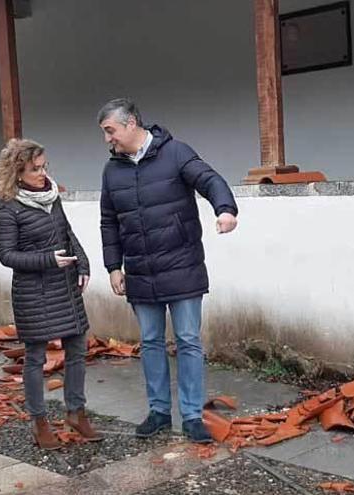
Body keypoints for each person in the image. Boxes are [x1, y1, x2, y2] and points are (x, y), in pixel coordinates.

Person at [97, 98, 239, 443]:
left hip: (182, 265)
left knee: (189, 341)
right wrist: (113, 267)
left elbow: (209, 179)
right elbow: (108, 222)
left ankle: (191, 416)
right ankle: (159, 412)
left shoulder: (175, 152)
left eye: (109, 130)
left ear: (130, 123)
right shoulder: (112, 170)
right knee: (150, 342)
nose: (107, 139)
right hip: (141, 271)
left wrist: (225, 209)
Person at [0, 138, 103, 449]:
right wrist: (47, 260)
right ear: (17, 172)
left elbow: (66, 232)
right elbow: (7, 255)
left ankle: (76, 412)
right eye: (35, 169)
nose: (42, 173)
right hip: (32, 291)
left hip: (64, 285)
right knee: (36, 358)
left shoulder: (52, 195)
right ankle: (39, 422)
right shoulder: (6, 205)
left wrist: (82, 263)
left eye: (44, 166)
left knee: (78, 348)